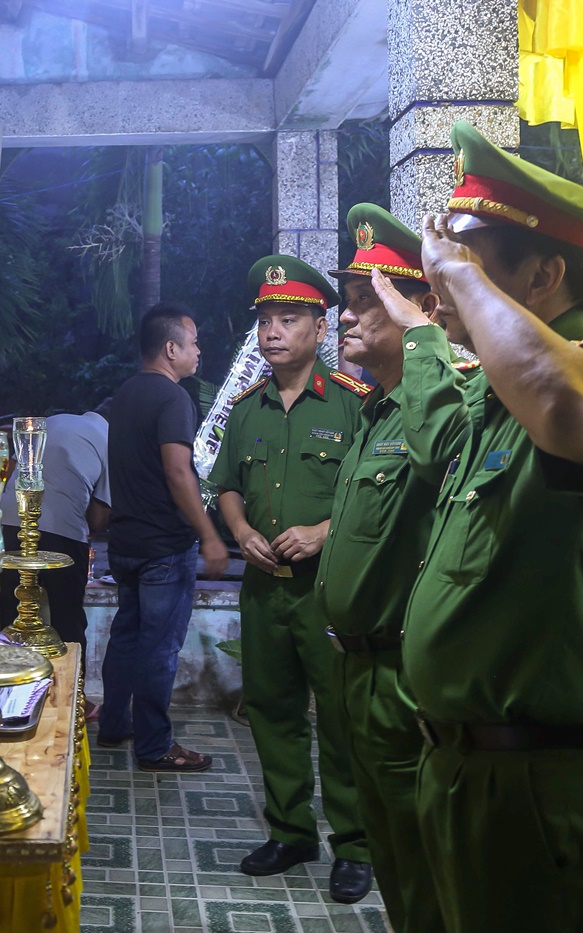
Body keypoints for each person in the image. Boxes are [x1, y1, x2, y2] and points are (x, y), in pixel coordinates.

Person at [399, 120, 583, 932]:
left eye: (468, 269)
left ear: (545, 275)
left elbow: (568, 404)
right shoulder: (495, 402)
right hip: (465, 770)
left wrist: (454, 264)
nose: (441, 291)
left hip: (544, 788)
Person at [206, 255, 372, 903]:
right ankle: (291, 830)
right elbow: (225, 485)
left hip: (328, 591)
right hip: (264, 589)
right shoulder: (247, 408)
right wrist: (239, 530)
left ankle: (354, 844)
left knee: (339, 718)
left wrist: (321, 533)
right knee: (273, 712)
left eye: (288, 319)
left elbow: (372, 493)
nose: (273, 332)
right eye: (266, 321)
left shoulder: (356, 404)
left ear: (319, 326)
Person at [315, 204, 455, 932]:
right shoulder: (373, 413)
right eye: (351, 300)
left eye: (372, 301)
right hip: (356, 674)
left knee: (429, 870)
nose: (349, 316)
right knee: (395, 866)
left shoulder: (436, 412)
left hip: (405, 680)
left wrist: (431, 343)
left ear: (421, 307)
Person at [99, 303, 228, 772]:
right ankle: (154, 746)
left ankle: (114, 723)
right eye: (192, 343)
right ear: (171, 349)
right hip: (163, 548)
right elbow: (178, 471)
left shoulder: (126, 392)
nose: (198, 351)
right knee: (159, 647)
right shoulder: (175, 399)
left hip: (126, 543)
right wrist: (209, 535)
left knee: (127, 637)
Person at [0, 409, 111, 672]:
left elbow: (11, 468)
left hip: (11, 521)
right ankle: (72, 695)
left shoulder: (54, 420)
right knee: (67, 619)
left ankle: (5, 691)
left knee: (7, 617)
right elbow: (100, 514)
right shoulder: (109, 441)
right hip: (64, 531)